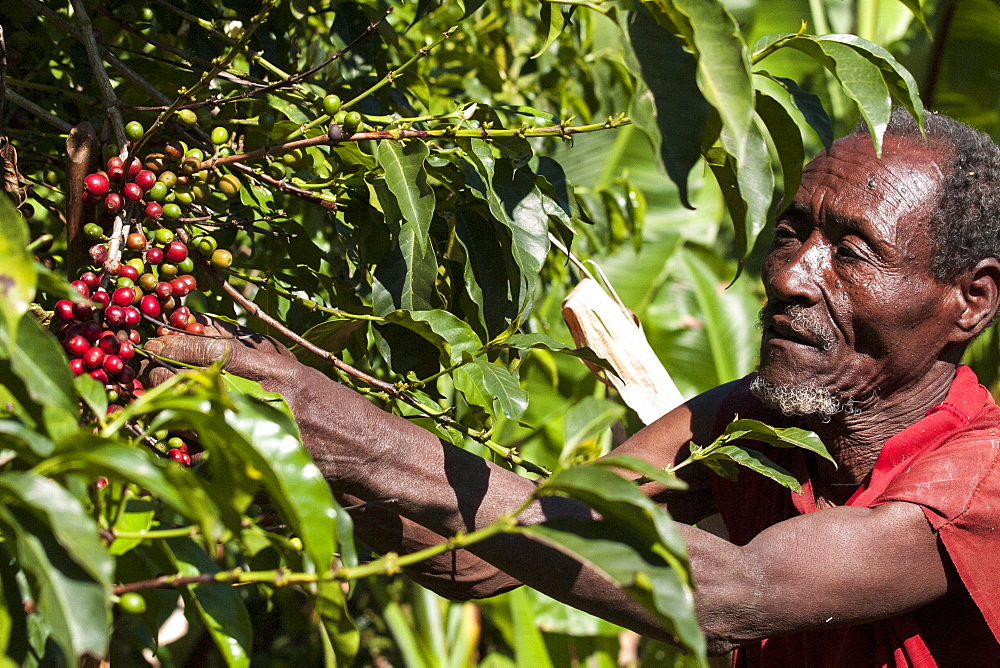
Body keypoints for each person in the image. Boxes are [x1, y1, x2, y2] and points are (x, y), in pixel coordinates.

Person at [145, 108, 1000, 665]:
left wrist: (347, 427)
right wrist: (295, 441)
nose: (792, 276)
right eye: (792, 232)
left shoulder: (980, 480)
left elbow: (739, 591)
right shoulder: (759, 422)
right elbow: (480, 562)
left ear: (971, 301)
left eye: (852, 252)